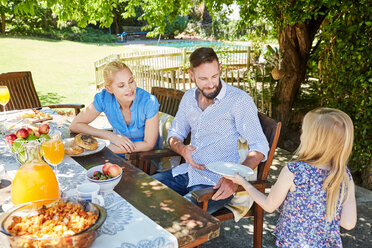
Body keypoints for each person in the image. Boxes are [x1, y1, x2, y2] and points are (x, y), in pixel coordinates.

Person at [153, 47, 269, 213]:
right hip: (187, 172)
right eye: (203, 78)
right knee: (143, 193)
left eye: (214, 76)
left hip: (217, 183)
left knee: (179, 214)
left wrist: (235, 179)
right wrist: (183, 150)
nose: (211, 84)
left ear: (220, 68)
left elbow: (259, 147)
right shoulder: (188, 98)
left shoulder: (239, 101)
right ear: (191, 75)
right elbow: (175, 134)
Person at [225, 107, 357, 247]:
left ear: (314, 140)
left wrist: (244, 183)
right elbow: (348, 223)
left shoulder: (294, 171)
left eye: (303, 132)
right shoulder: (344, 175)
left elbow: (269, 206)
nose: (301, 136)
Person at [70, 60, 160, 157]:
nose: (129, 88)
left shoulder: (149, 102)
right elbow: (75, 125)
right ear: (109, 89)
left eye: (131, 81)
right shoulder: (104, 98)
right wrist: (111, 136)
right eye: (121, 85)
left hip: (145, 158)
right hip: (116, 155)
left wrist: (111, 149)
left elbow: (149, 144)